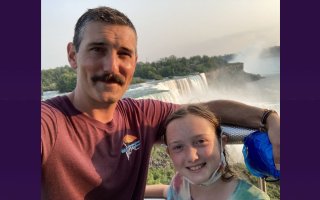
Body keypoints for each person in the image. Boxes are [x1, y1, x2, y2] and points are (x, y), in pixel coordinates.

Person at [41, 6, 280, 200]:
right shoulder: (50, 121)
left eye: (124, 54)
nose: (111, 67)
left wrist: (269, 118)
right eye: (97, 50)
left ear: (134, 61)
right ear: (73, 55)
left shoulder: (141, 115)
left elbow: (205, 111)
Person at [145, 105, 270, 199]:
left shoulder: (252, 198)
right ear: (169, 154)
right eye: (178, 147)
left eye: (200, 141)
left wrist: (270, 118)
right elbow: (166, 191)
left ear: (222, 143)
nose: (191, 157)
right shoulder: (180, 183)